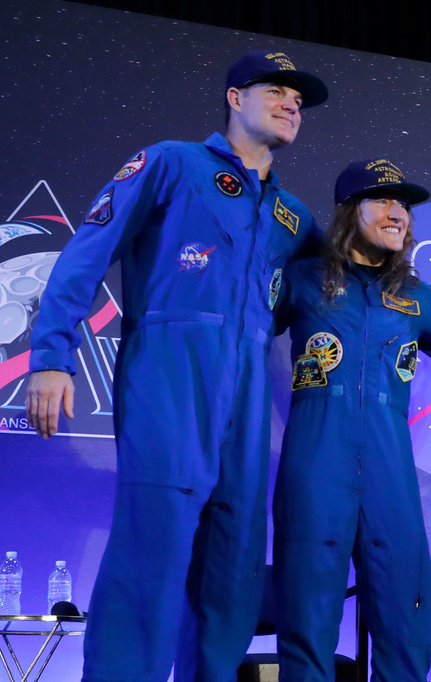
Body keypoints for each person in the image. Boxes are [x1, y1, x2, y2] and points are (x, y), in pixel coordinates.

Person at [24, 50, 328, 681]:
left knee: (234, 562)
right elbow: (87, 252)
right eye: (277, 91)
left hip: (247, 392)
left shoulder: (294, 218)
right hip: (170, 372)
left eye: (299, 101)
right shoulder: (170, 163)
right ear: (235, 97)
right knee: (153, 550)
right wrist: (52, 355)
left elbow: (341, 291)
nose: (292, 105)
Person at [271, 159, 431, 681]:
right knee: (307, 612)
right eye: (383, 200)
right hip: (314, 462)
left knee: (405, 612)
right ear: (349, 211)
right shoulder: (303, 279)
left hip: (389, 469)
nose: (398, 213)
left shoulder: (414, 296)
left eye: (405, 205)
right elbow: (241, 331)